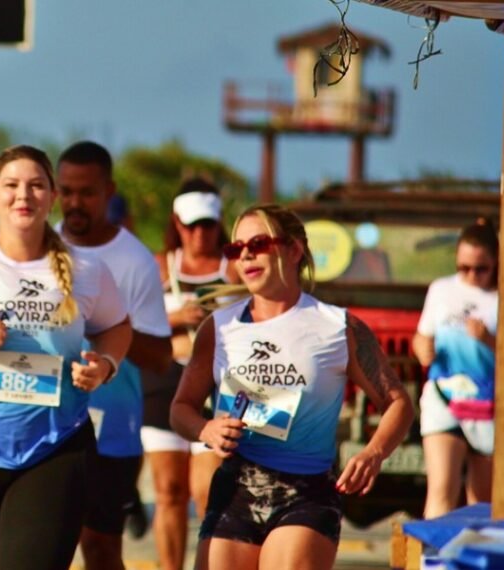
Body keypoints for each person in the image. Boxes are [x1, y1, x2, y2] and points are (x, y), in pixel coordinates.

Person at [0, 144, 132, 569]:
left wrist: (106, 365)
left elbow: (116, 326)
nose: (24, 195)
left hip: (55, 449)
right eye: (11, 185)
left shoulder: (86, 269)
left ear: (52, 197)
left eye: (36, 186)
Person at [170, 204, 414, 570]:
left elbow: (398, 402)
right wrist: (206, 428)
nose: (246, 254)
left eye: (258, 243)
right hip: (235, 490)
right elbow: (180, 409)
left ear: (294, 249)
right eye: (236, 249)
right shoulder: (218, 327)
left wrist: (374, 453)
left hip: (306, 493)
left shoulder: (337, 327)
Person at [55, 141, 172, 570]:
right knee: (44, 549)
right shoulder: (39, 250)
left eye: (86, 192)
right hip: (45, 421)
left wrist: (104, 324)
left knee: (100, 550)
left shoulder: (135, 261)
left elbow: (161, 356)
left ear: (109, 191)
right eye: (65, 191)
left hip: (112, 431)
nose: (73, 202)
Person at [141, 177, 235, 570]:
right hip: (163, 381)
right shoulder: (160, 266)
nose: (200, 234)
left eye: (208, 225)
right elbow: (130, 322)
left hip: (214, 388)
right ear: (177, 223)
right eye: (192, 225)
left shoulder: (235, 269)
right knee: (168, 491)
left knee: (205, 491)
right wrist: (178, 317)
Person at [414, 219, 498, 519]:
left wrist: (489, 339)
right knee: (441, 489)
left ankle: (478, 562)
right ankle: (435, 562)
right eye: (464, 268)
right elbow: (422, 335)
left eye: (481, 269)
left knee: (483, 500)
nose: (471, 276)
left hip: (490, 403)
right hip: (444, 395)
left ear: (496, 263)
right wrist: (422, 347)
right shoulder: (441, 289)